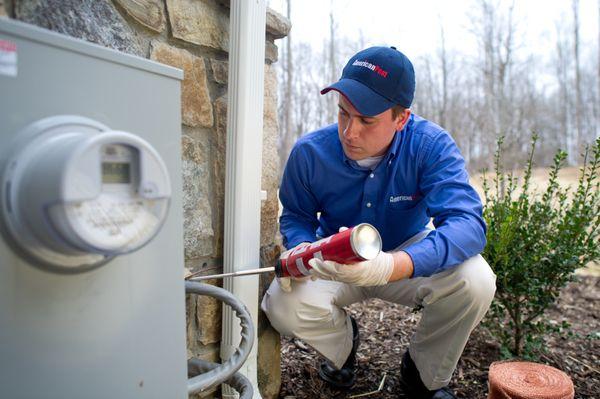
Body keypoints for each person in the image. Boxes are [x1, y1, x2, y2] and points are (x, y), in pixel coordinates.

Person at [261, 46, 496, 399]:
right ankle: (343, 346)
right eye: (343, 114)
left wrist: (395, 265)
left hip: (407, 251)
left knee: (476, 281)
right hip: (334, 256)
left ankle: (423, 373)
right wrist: (302, 249)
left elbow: (468, 223)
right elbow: (297, 216)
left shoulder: (431, 145)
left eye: (367, 120)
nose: (349, 132)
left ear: (401, 118)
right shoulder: (309, 153)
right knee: (281, 305)